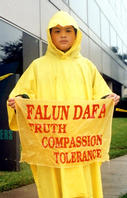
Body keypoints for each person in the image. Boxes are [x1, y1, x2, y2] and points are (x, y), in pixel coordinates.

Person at [7, 11, 120, 198]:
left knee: (83, 180)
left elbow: (101, 94)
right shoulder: (38, 66)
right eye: (57, 31)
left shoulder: (87, 66)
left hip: (80, 143)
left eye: (68, 30)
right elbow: (23, 94)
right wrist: (17, 102)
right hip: (51, 141)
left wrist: (109, 98)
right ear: (50, 35)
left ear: (76, 34)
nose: (63, 35)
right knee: (52, 184)